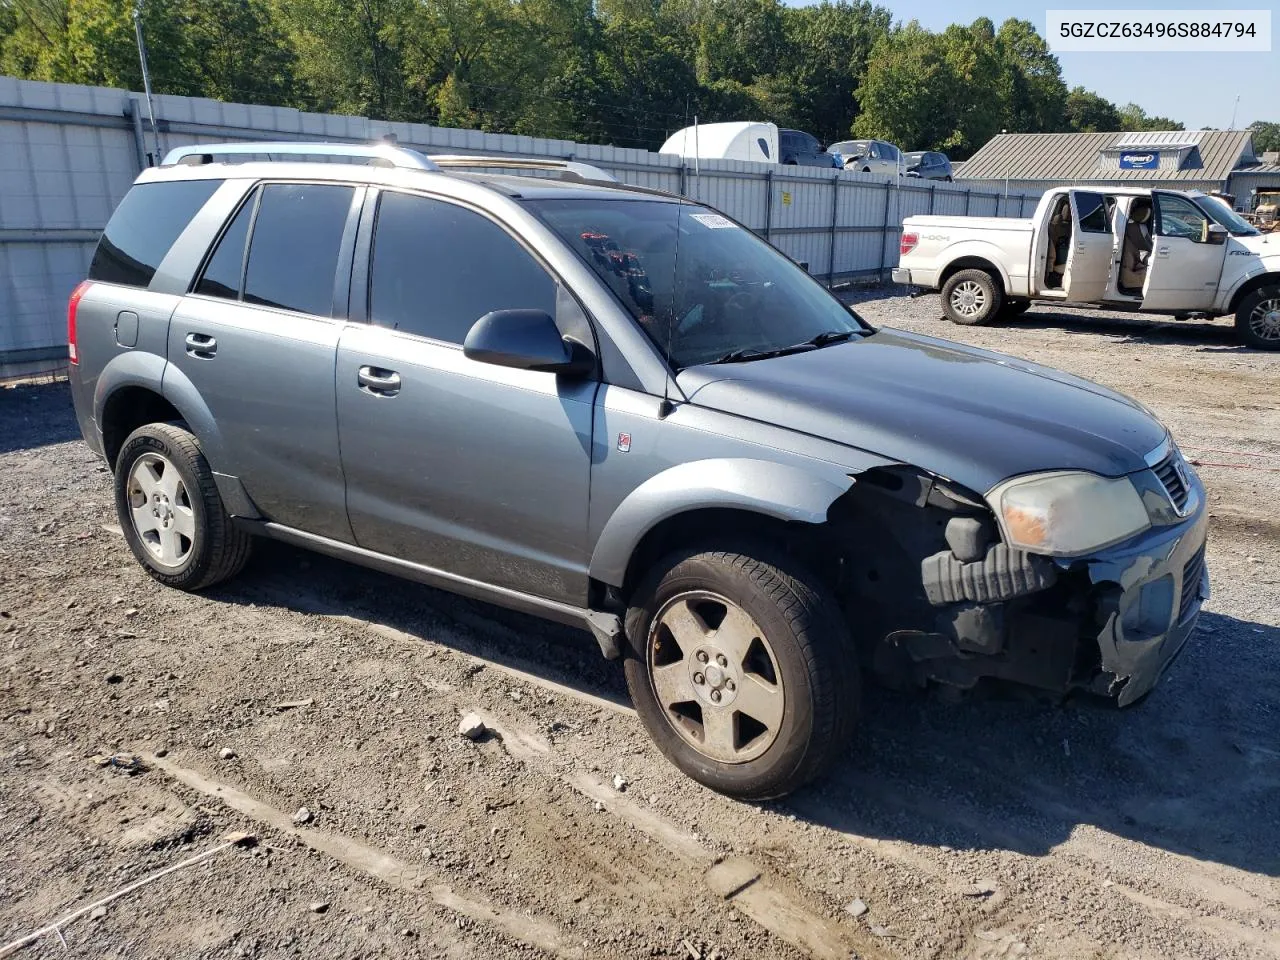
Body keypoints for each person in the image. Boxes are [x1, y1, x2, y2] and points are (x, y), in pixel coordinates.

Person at [1120, 202, 1153, 292]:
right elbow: (1146, 247)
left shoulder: (1133, 228)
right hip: (1130, 268)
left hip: (1133, 262)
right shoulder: (1135, 228)